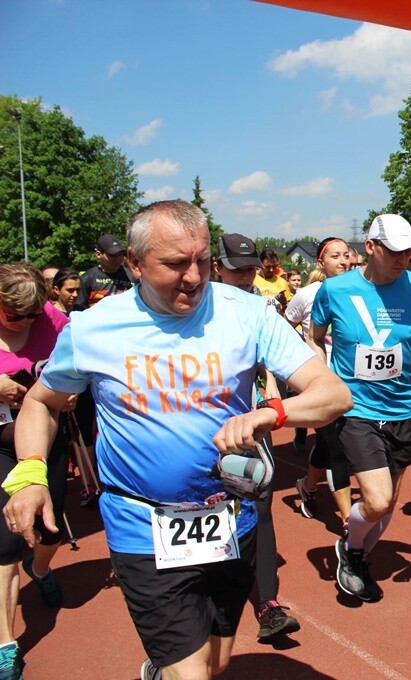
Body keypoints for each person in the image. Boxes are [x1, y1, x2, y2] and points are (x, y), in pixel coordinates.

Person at [3, 200, 350, 680]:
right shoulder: (92, 328)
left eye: (202, 261)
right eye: (174, 264)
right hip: (141, 524)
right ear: (135, 262)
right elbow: (41, 403)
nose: (193, 277)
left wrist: (271, 414)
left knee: (216, 662)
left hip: (231, 518)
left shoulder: (248, 313)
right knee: (192, 674)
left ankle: (161, 669)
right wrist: (30, 474)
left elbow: (334, 394)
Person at [310, 213, 411, 603]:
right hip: (356, 409)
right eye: (393, 252)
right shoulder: (335, 290)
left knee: (387, 503)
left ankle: (355, 555)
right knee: (376, 500)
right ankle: (352, 550)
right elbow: (315, 337)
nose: (402, 259)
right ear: (371, 247)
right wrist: (323, 377)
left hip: (403, 410)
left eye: (408, 252)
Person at [212, 233, 303, 642]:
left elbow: (275, 362)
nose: (247, 277)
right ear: (217, 267)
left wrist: (272, 396)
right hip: (199, 426)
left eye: (251, 269)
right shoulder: (197, 306)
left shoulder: (263, 307)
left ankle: (268, 605)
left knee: (259, 503)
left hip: (249, 421)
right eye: (238, 270)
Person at [0, 263, 72, 679]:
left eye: (32, 314)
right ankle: (5, 645)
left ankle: (40, 568)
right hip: (0, 442)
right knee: (4, 544)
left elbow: (77, 365)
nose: (26, 322)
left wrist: (71, 391)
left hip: (46, 439)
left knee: (50, 529)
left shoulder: (54, 321)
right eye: (15, 315)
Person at [289, 238, 353, 534]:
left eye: (347, 255)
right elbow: (285, 327)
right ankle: (348, 519)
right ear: (321, 262)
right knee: (337, 447)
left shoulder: (360, 290)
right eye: (335, 256)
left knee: (329, 445)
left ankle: (308, 485)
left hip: (352, 381)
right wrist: (301, 364)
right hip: (320, 383)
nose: (343, 261)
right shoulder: (307, 294)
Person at [75, 233, 136, 310]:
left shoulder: (133, 276)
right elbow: (78, 308)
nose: (117, 259)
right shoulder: (87, 278)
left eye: (120, 254)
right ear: (98, 254)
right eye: (112, 255)